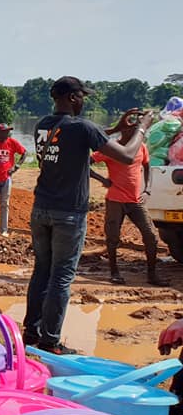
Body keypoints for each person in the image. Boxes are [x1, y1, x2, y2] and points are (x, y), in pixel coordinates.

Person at [23, 76, 154, 355]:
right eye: (82, 96)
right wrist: (142, 129)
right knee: (61, 278)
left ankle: (31, 333)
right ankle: (50, 341)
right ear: (72, 97)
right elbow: (129, 156)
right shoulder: (83, 127)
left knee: (41, 272)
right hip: (68, 215)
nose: (84, 101)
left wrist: (116, 129)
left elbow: (81, 137)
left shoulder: (43, 124)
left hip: (41, 209)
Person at [90, 131, 168, 286]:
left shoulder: (141, 147)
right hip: (115, 200)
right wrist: (102, 179)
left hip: (135, 201)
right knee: (113, 238)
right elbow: (84, 163)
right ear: (123, 130)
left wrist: (147, 190)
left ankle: (152, 275)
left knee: (151, 235)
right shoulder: (112, 148)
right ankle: (114, 273)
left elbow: (147, 166)